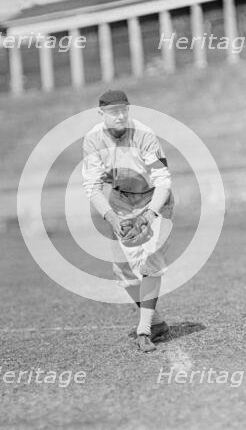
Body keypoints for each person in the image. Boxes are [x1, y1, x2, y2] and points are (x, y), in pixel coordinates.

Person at [82, 89, 175, 352]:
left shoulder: (144, 133)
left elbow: (163, 181)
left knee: (150, 261)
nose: (120, 116)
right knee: (123, 271)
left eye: (124, 110)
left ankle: (144, 330)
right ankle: (156, 322)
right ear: (101, 114)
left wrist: (149, 214)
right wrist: (110, 217)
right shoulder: (92, 140)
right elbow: (92, 185)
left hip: (153, 199)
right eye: (113, 112)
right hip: (121, 201)